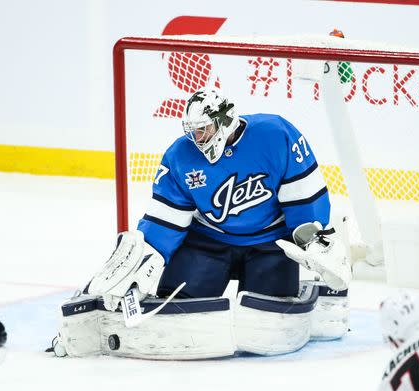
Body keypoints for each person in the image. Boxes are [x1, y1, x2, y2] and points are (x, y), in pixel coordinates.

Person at [52, 87, 351, 358]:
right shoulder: (180, 157)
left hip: (269, 243)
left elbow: (304, 197)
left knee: (269, 311)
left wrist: (311, 238)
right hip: (209, 242)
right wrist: (139, 264)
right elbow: (164, 220)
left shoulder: (276, 135)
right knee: (180, 304)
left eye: (204, 129)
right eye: (193, 131)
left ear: (224, 122)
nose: (197, 139)